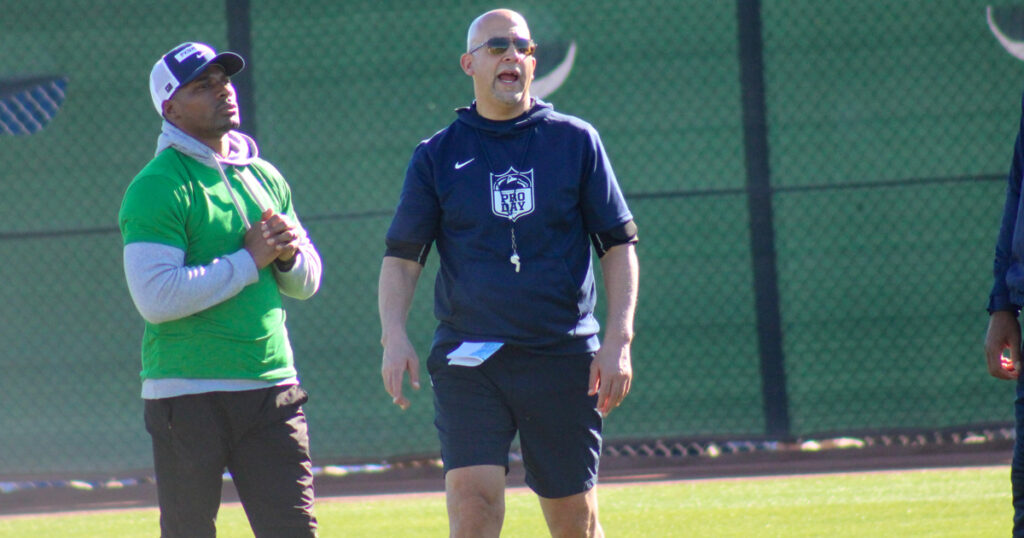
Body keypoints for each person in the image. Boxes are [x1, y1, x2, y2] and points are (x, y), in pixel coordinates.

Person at [378, 9, 639, 538]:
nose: (511, 56)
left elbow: (618, 245)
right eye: (497, 47)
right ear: (469, 63)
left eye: (521, 46)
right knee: (473, 511)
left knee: (576, 524)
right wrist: (393, 335)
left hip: (563, 354)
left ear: (532, 61)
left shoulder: (575, 141)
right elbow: (404, 257)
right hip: (470, 360)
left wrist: (619, 339)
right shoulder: (436, 155)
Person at [118, 42, 322, 537]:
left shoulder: (264, 176)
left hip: (272, 388)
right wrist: (250, 259)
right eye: (202, 86)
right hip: (187, 397)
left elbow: (307, 283)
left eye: (223, 80)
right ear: (171, 108)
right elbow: (157, 298)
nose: (222, 92)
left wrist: (289, 257)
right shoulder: (156, 185)